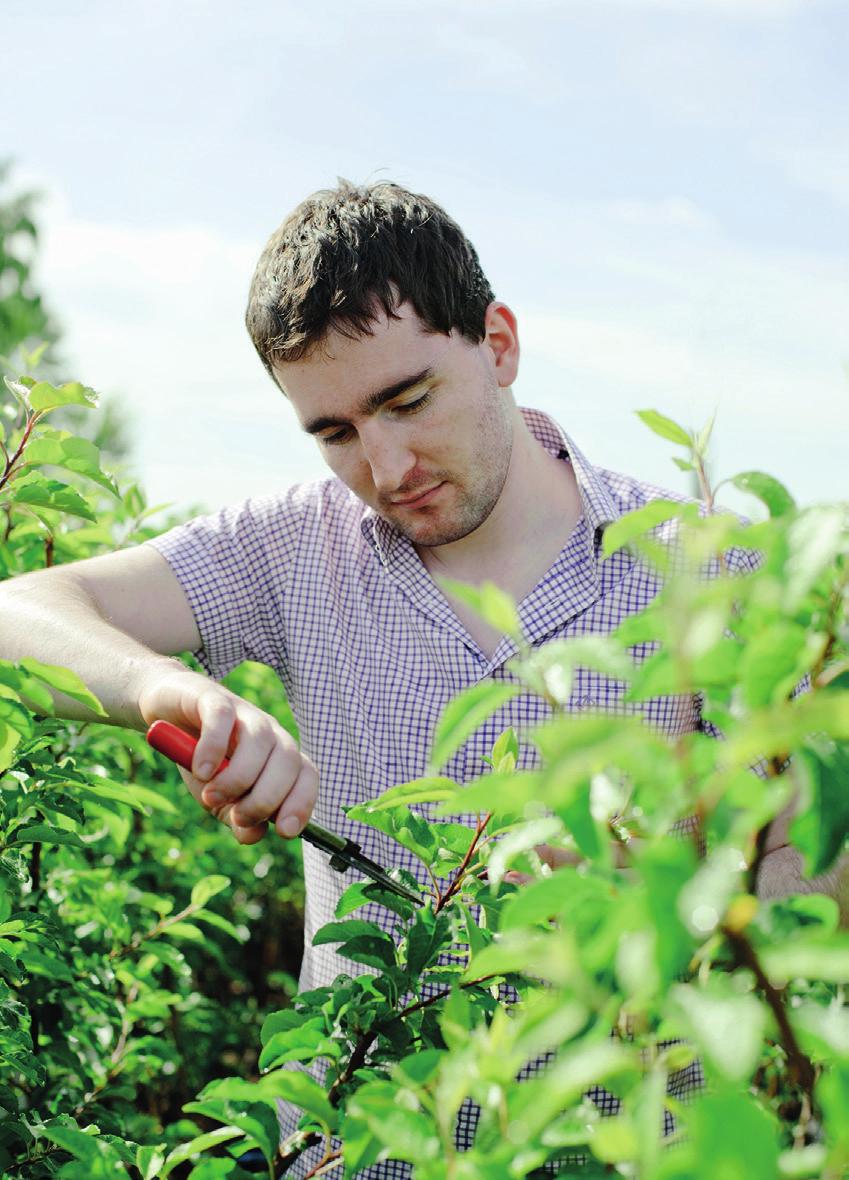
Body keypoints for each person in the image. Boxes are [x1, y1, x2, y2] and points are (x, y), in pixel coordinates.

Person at [0, 180, 842, 1177]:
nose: (387, 463)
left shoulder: (715, 563)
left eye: (408, 400)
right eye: (336, 431)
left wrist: (670, 909)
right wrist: (166, 691)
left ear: (498, 343)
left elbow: (816, 884)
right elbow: (19, 616)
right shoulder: (291, 547)